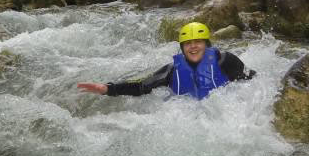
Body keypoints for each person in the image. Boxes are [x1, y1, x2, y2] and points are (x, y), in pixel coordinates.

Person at [77, 22, 256, 99]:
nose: (193, 47)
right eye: (187, 44)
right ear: (182, 48)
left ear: (207, 44)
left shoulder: (226, 61)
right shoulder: (172, 71)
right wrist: (108, 89)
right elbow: (141, 87)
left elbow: (253, 82)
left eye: (198, 42)